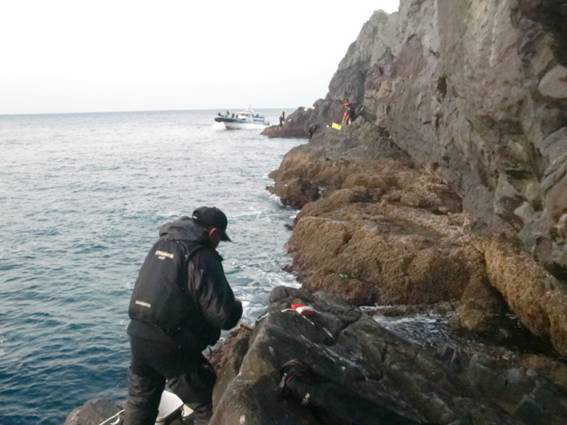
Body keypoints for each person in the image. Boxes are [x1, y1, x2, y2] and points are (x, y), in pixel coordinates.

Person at [124, 207, 243, 425]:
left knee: (141, 403)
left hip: (139, 334)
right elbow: (223, 316)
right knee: (209, 404)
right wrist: (237, 307)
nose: (218, 244)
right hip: (172, 344)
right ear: (214, 233)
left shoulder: (161, 244)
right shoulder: (201, 255)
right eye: (219, 239)